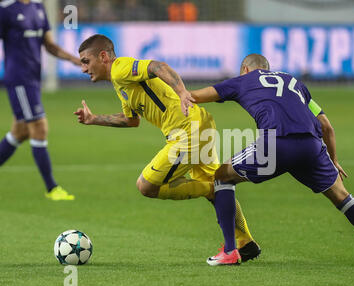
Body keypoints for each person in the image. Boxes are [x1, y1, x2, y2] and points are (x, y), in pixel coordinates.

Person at [189, 53, 354, 266]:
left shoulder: (243, 80)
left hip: (276, 144)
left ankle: (230, 251)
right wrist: (333, 160)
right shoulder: (294, 83)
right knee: (342, 196)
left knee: (222, 177)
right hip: (311, 146)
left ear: (245, 68)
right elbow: (327, 126)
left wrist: (178, 93)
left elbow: (196, 96)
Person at [74, 34, 260, 261]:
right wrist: (94, 119)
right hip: (197, 125)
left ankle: (212, 189)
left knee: (146, 186)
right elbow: (131, 120)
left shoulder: (121, 68)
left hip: (186, 131)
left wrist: (183, 93)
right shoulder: (120, 83)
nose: (83, 69)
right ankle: (246, 243)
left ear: (103, 56)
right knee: (217, 182)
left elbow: (158, 66)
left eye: (86, 61)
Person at [0, 0, 79, 200]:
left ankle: (52, 188)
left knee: (20, 132)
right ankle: (52, 188)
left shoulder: (38, 7)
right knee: (39, 127)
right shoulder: (6, 9)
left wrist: (72, 59)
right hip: (19, 78)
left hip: (34, 78)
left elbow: (49, 44)